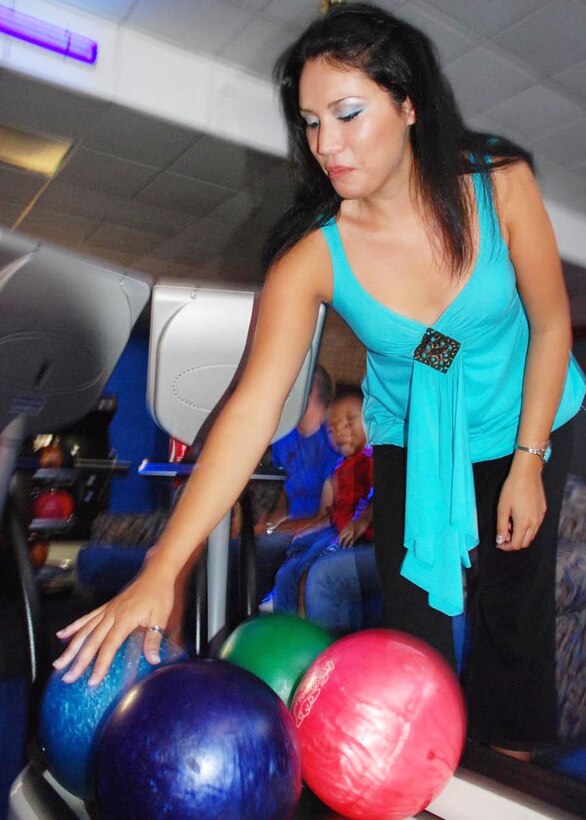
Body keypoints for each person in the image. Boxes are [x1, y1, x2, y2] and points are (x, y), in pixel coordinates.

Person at [56, 3, 585, 763]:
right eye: (309, 123)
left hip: (530, 410)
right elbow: (251, 408)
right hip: (413, 429)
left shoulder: (500, 184)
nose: (325, 145)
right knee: (413, 623)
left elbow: (551, 324)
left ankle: (514, 774)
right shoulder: (313, 255)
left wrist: (528, 464)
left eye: (346, 114)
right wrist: (162, 568)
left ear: (409, 105)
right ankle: (420, 773)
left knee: (514, 607)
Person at [231, 363, 340, 608]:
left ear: (308, 392)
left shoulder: (333, 437)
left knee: (253, 551)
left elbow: (328, 516)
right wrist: (266, 522)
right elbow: (286, 494)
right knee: (234, 547)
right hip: (292, 526)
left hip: (319, 531)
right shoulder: (285, 437)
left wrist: (273, 529)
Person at [271, 386, 373, 615]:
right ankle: (287, 625)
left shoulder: (371, 460)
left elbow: (374, 497)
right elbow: (334, 512)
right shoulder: (343, 467)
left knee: (310, 570)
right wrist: (308, 528)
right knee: (287, 571)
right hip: (336, 530)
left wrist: (362, 520)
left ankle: (310, 629)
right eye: (332, 429)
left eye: (349, 422)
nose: (340, 432)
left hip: (356, 537)